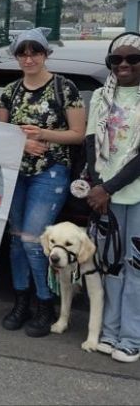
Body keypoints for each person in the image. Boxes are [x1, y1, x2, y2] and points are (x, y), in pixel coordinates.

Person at [0, 28, 86, 336]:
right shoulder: (10, 91)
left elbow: (78, 134)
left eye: (35, 52)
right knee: (17, 240)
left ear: (46, 54)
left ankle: (44, 303)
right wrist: (22, 142)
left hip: (51, 173)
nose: (29, 58)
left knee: (35, 240)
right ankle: (21, 301)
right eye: (23, 52)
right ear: (16, 56)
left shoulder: (65, 87)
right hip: (16, 173)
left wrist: (43, 134)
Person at [85, 32, 140, 363]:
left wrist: (108, 187)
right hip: (106, 194)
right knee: (112, 264)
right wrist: (96, 184)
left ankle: (131, 336)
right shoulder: (99, 98)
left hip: (131, 193)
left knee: (136, 266)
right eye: (115, 60)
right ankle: (109, 330)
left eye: (133, 59)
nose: (123, 65)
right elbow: (91, 141)